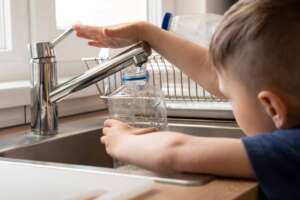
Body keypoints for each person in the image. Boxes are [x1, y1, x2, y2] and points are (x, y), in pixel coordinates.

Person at [74, 0, 300, 199]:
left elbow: (175, 152)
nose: (225, 96)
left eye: (228, 97)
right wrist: (146, 32)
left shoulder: (289, 150)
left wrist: (122, 141)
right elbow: (218, 74)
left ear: (272, 107)